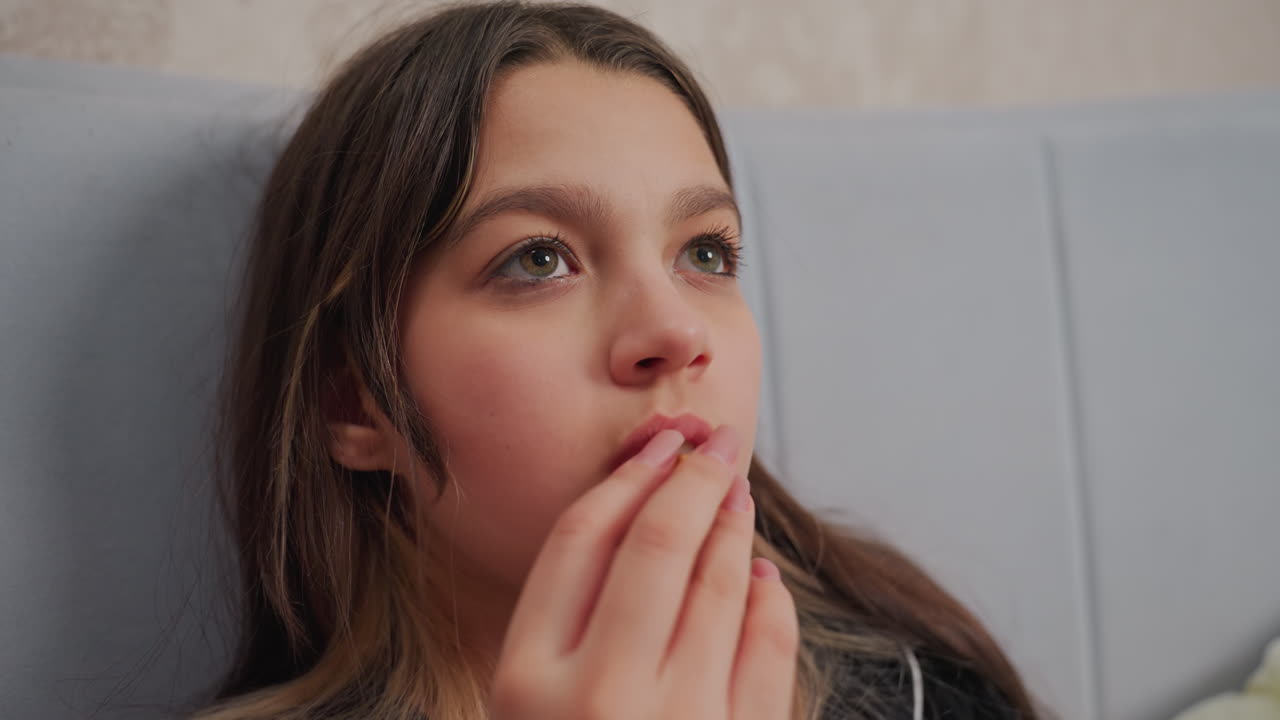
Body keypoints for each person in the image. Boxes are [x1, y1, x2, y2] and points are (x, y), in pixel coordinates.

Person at [196, 2, 1049, 718]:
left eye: (706, 254)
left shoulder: (920, 690)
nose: (678, 332)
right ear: (353, 400)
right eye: (538, 258)